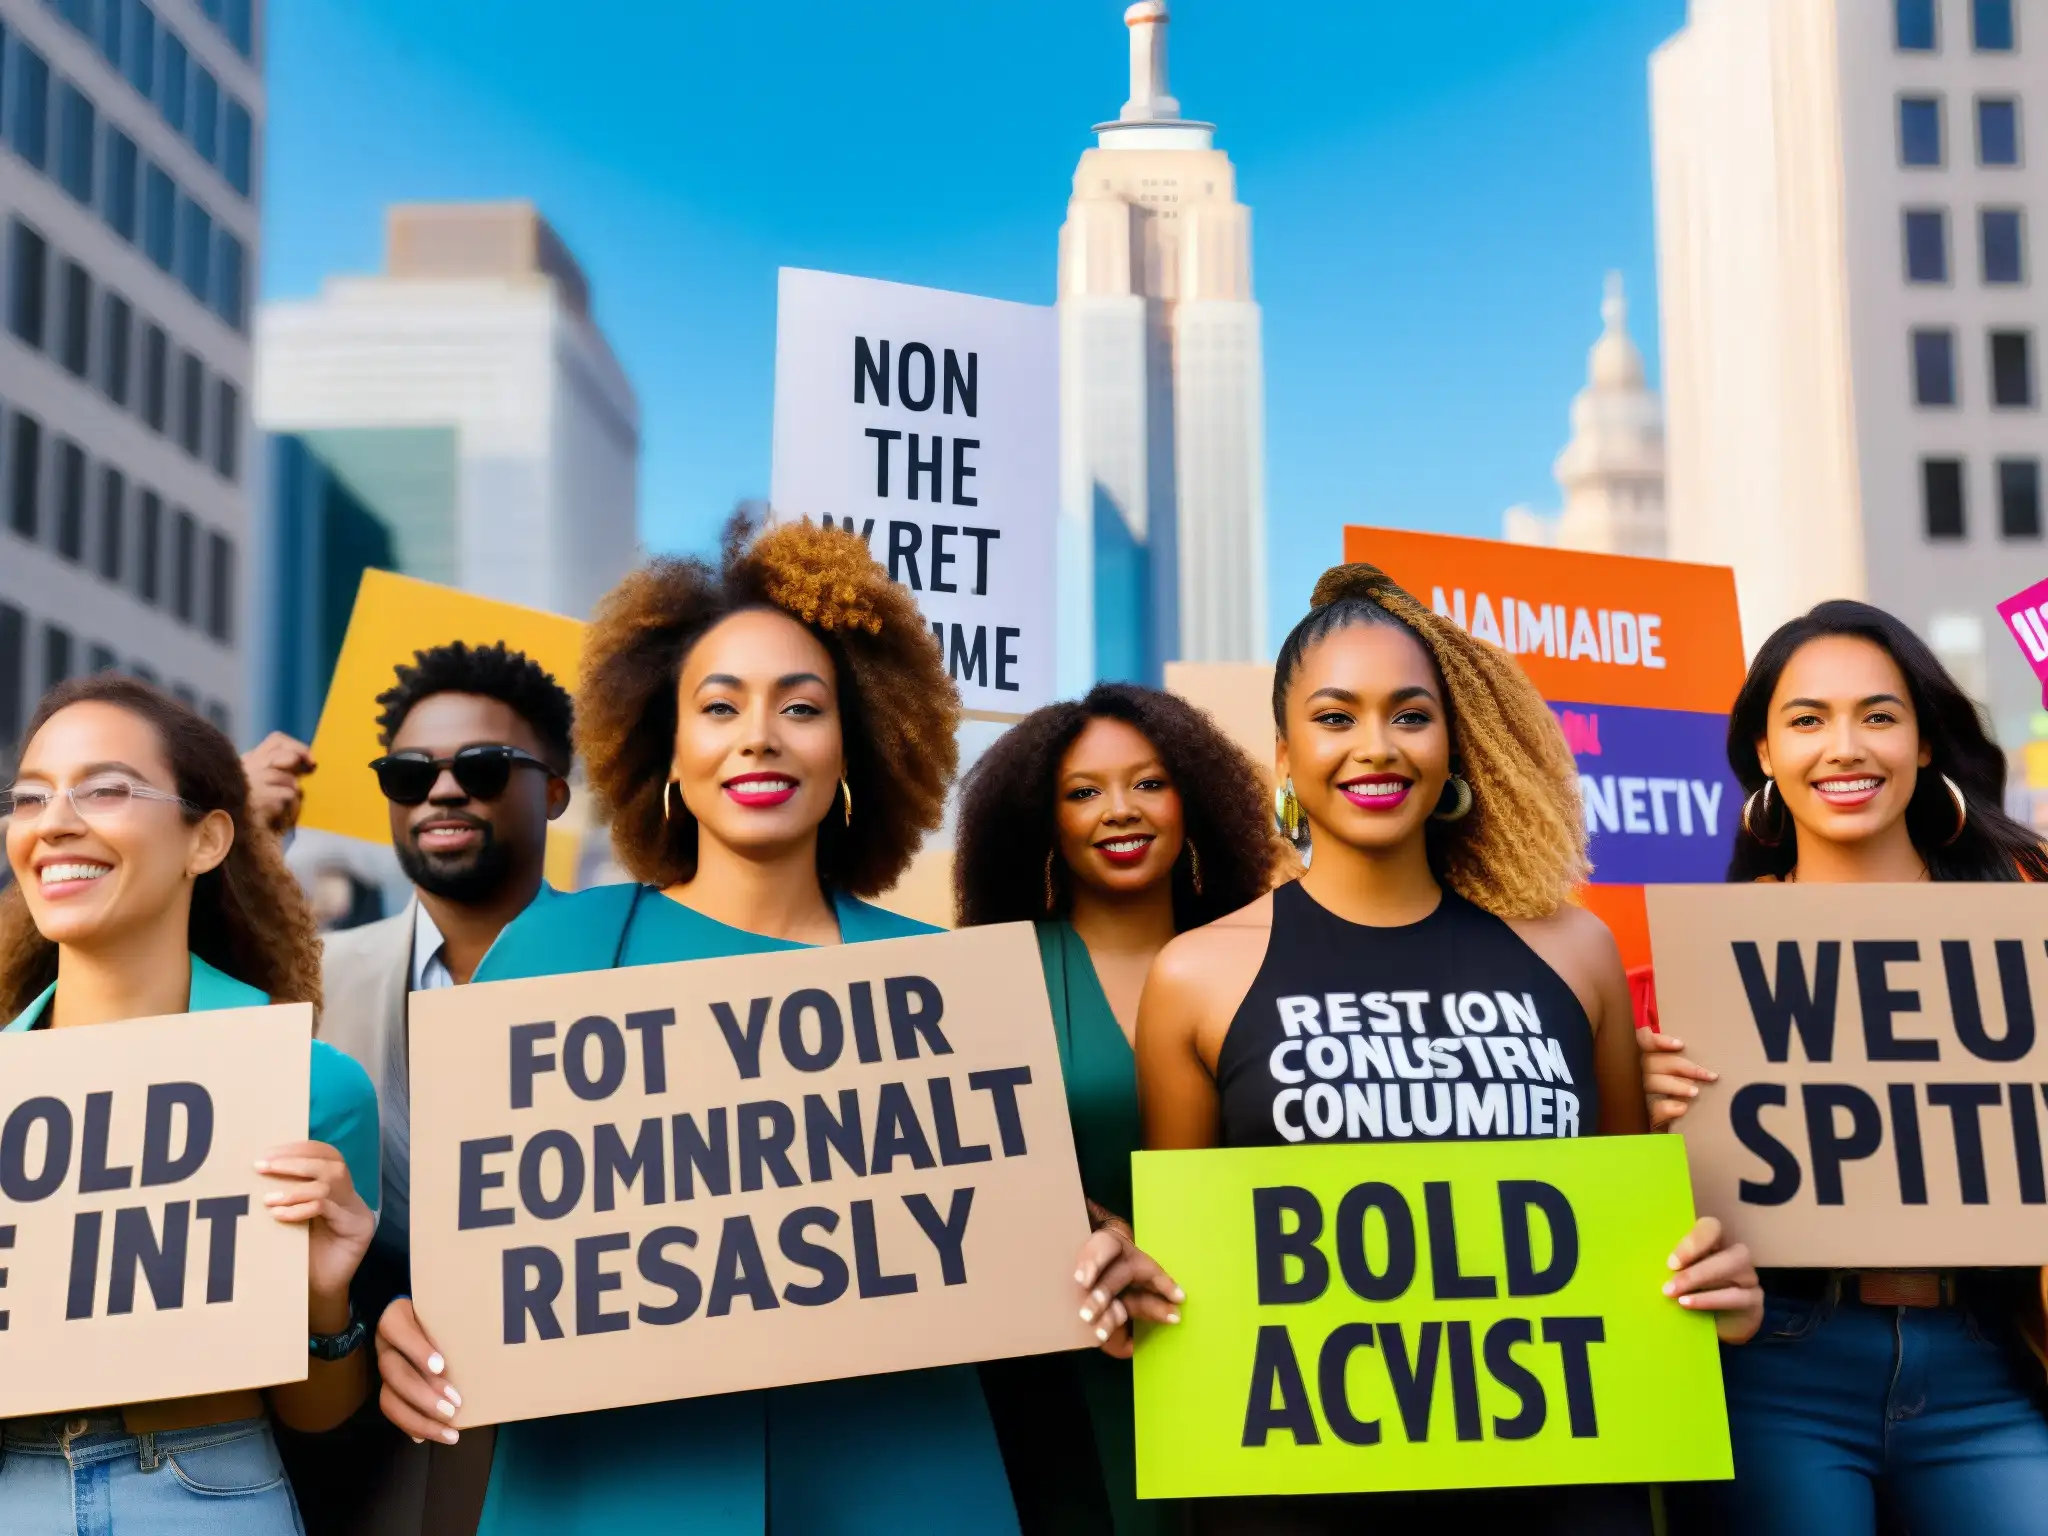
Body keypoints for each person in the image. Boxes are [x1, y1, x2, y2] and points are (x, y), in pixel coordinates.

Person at [374, 518, 1164, 1533]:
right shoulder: (549, 952)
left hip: (903, 1479)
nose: (759, 735)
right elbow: (482, 1244)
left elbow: (1009, 1237)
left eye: (801, 706)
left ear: (855, 750)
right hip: (613, 1490)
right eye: (719, 706)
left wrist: (1094, 1262)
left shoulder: (946, 981)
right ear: (666, 748)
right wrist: (412, 1318)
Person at [1135, 564, 1762, 1535]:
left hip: (1558, 1490)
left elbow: (1630, 1237)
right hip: (1302, 1503)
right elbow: (1184, 1279)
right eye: (1335, 718)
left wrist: (1707, 1287)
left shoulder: (1571, 950)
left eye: (1409, 716)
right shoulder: (1196, 978)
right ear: (1283, 756)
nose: (1374, 748)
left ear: (1451, 743)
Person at [1642, 600, 2048, 1536]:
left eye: (1878, 715)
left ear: (1925, 743)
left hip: (1989, 1356)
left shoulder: (2019, 925)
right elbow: (1650, 1219)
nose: (1845, 747)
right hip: (1779, 1364)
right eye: (1807, 720)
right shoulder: (1698, 964)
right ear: (1766, 757)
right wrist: (1645, 1114)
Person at [0, 675, 381, 1533]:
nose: (54, 822)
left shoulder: (311, 1084)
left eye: (104, 789)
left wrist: (326, 1304)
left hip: (206, 1492)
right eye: (29, 798)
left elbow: (318, 1416)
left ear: (206, 840)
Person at [954, 682, 1278, 1535]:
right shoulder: (995, 973)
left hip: (1265, 1353)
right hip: (1071, 1367)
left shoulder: (1267, 955)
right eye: (1083, 792)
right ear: (1042, 819)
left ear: (1194, 799)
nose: (1120, 811)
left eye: (1149, 782)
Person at [285, 642, 576, 1536]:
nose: (442, 791)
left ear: (554, 790)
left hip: (579, 1457)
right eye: (408, 774)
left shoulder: (633, 969)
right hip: (359, 1468)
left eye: (482, 767)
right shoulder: (304, 984)